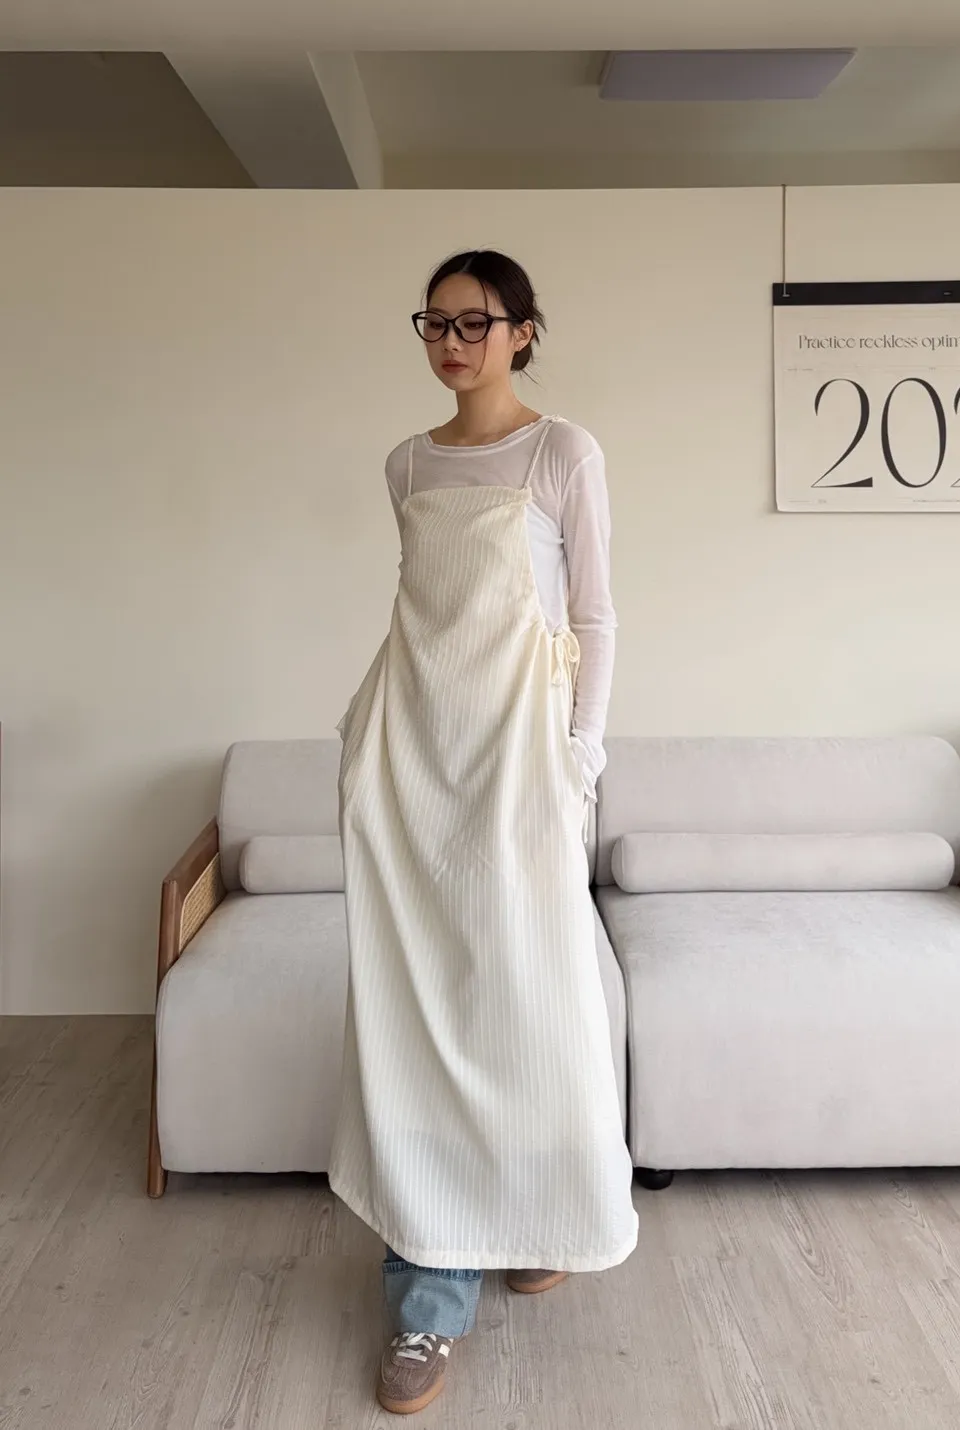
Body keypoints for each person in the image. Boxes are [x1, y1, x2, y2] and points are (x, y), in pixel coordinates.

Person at [330, 249, 638, 1415]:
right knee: (419, 1020)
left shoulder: (564, 453)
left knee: (530, 1005)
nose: (452, 342)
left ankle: (535, 1218)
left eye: (475, 322)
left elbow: (594, 617)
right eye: (435, 322)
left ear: (522, 332)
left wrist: (580, 755)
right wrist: (362, 743)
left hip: (521, 771)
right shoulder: (407, 464)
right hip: (412, 765)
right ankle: (428, 1296)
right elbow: (424, 621)